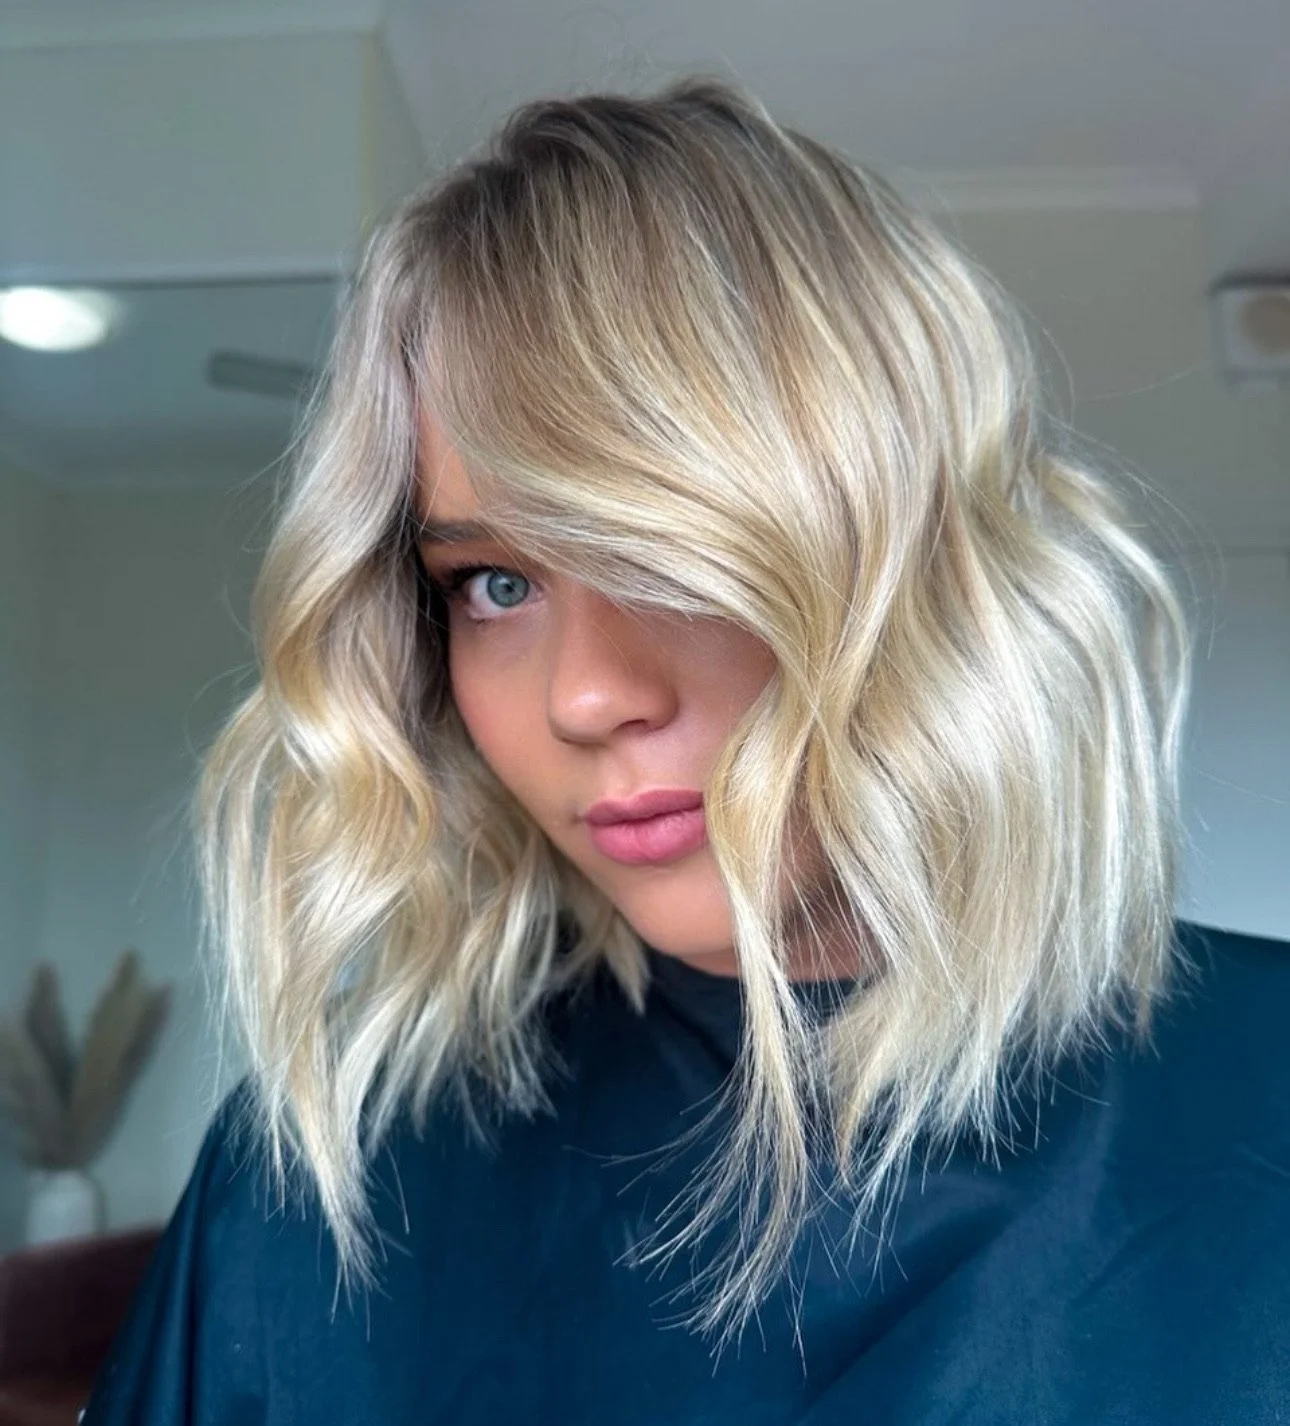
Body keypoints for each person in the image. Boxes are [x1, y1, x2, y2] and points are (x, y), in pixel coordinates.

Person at [82, 76, 1289, 1425]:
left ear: (913, 555)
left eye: (658, 554)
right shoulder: (328, 1176)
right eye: (493, 583)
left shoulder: (1261, 1098)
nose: (586, 694)